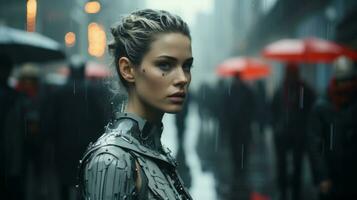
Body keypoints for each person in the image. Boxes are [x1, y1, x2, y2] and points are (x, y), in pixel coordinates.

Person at [78, 9, 193, 199]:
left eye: (186, 66)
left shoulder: (155, 151)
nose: (182, 78)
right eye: (165, 65)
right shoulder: (111, 161)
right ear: (128, 69)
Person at [308, 56, 357, 200]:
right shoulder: (322, 107)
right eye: (343, 81)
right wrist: (322, 176)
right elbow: (315, 144)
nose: (346, 85)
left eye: (349, 80)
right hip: (332, 176)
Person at [270, 63, 315, 200]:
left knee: (294, 164)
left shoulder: (303, 90)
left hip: (295, 133)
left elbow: (310, 110)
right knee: (287, 164)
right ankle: (286, 190)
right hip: (286, 133)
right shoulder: (284, 90)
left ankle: (291, 190)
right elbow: (273, 109)